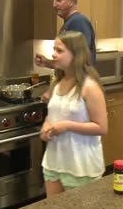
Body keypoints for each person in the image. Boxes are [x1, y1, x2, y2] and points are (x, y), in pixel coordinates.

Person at [40, 31, 107, 197]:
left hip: (81, 167)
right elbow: (53, 116)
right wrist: (46, 126)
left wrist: (68, 126)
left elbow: (101, 127)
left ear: (76, 55)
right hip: (54, 162)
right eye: (54, 49)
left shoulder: (89, 86)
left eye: (60, 51)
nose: (53, 54)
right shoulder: (57, 83)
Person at [35, 0, 96, 67]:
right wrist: (47, 62)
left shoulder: (78, 21)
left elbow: (80, 59)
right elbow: (67, 61)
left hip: (78, 80)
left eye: (59, 0)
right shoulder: (69, 22)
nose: (54, 5)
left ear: (71, 1)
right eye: (53, 0)